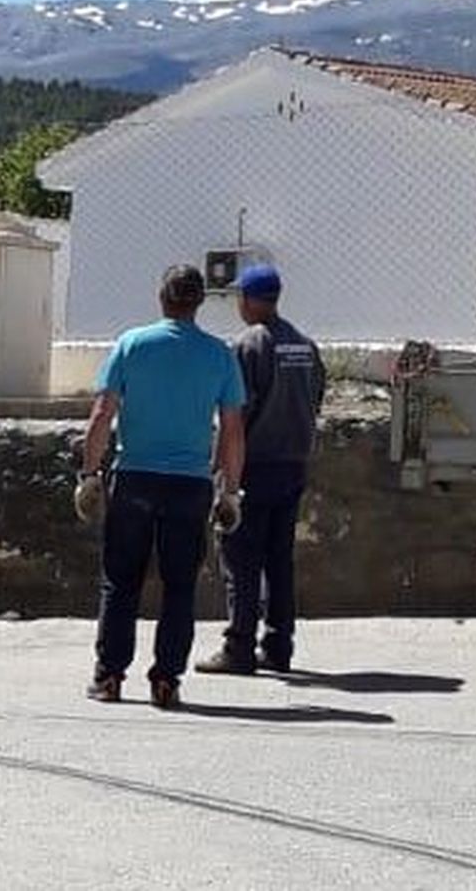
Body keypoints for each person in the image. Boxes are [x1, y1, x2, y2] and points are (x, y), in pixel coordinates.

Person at [74, 264, 245, 710]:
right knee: (180, 585)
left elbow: (101, 415)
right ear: (199, 302)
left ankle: (109, 675)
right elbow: (232, 430)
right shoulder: (219, 355)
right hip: (189, 485)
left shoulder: (132, 345)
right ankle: (166, 679)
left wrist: (90, 474)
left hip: (134, 478)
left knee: (120, 581)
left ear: (161, 297)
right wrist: (230, 490)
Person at [196, 263, 325, 676]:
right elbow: (317, 397)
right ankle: (279, 645)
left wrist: (220, 473)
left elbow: (235, 416)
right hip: (293, 465)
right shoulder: (304, 346)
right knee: (279, 559)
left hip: (253, 468)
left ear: (251, 300)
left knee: (240, 559)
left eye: (239, 297)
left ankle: (239, 647)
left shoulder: (249, 345)